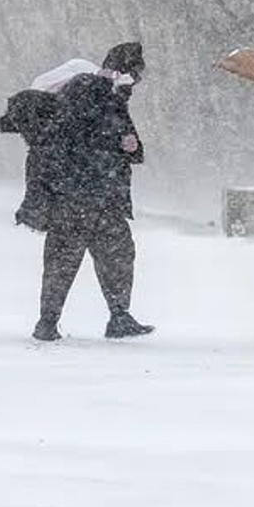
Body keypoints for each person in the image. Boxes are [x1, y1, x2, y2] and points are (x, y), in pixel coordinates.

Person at [17, 42, 153, 342]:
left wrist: (129, 146)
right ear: (122, 72)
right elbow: (87, 139)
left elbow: (126, 142)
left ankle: (55, 321)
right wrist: (118, 146)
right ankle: (109, 317)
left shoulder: (102, 96)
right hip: (88, 194)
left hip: (84, 195)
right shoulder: (91, 92)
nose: (134, 84)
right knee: (105, 256)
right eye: (134, 76)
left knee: (73, 259)